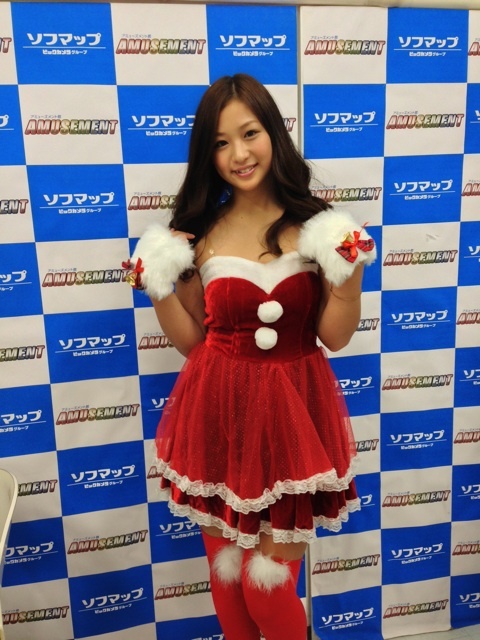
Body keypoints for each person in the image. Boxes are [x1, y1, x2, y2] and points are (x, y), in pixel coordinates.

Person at [123, 73, 376, 640]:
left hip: (294, 420)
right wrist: (158, 286)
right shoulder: (198, 236)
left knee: (269, 588)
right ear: (207, 154)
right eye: (220, 142)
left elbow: (335, 337)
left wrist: (349, 277)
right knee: (229, 580)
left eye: (250, 133)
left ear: (274, 134)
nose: (238, 154)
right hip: (218, 418)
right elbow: (194, 343)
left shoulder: (318, 228)